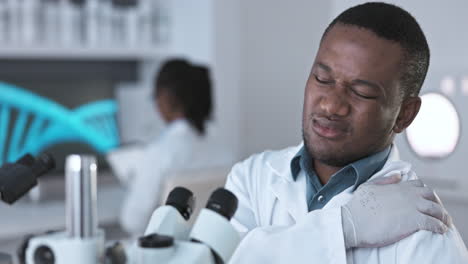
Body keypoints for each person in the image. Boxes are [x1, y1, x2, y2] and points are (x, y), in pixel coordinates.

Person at [226, 2, 468, 263]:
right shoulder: (251, 179)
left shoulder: (426, 233)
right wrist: (342, 226)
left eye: (361, 92)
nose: (331, 105)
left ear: (404, 114)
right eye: (322, 79)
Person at [107, 58, 213, 235]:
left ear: (165, 96)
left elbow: (132, 221)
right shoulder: (224, 150)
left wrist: (136, 181)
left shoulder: (160, 153)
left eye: (155, 97)